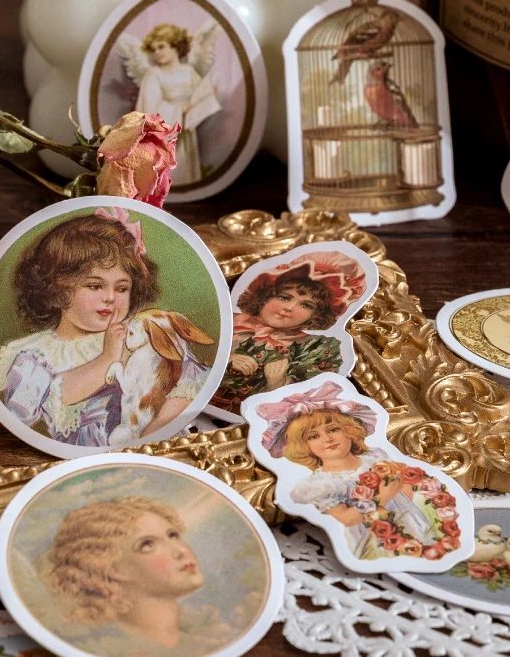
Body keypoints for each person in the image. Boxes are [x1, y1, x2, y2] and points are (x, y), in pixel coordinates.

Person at [0, 208, 207, 447]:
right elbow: (31, 411)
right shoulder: (38, 355)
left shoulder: (140, 334)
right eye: (95, 286)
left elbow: (188, 387)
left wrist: (150, 437)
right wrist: (107, 358)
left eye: (122, 288)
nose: (110, 298)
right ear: (57, 289)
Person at [257, 382, 462, 562]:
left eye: (333, 429)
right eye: (313, 436)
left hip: (415, 525)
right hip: (374, 542)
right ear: (304, 446)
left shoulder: (375, 458)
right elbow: (345, 519)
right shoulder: (321, 485)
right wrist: (382, 498)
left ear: (348, 430)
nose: (327, 439)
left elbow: (404, 488)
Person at [37, 495, 233, 656]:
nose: (180, 550)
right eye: (147, 544)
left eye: (173, 535)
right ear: (113, 568)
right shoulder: (111, 648)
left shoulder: (203, 641)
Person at [212, 251, 366, 415]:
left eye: (306, 305)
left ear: (316, 315)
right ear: (265, 296)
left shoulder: (313, 349)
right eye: (284, 297)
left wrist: (277, 383)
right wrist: (225, 357)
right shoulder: (224, 319)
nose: (289, 308)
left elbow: (302, 409)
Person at [135, 23, 221, 185]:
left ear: (175, 47)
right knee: (171, 169)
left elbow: (199, 94)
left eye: (161, 47)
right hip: (168, 133)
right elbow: (150, 109)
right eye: (153, 49)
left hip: (187, 130)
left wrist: (208, 93)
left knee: (186, 169)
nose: (157, 53)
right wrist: (180, 110)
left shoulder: (188, 71)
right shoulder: (154, 74)